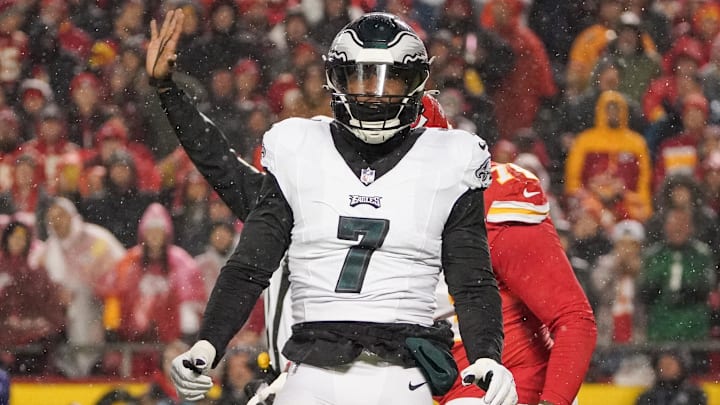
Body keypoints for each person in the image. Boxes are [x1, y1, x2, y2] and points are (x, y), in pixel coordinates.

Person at [150, 9, 595, 404]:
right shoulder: (324, 168)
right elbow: (239, 197)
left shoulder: (475, 186)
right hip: (342, 367)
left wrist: (511, 377)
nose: (374, 113)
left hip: (452, 383)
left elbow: (559, 314)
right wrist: (170, 95)